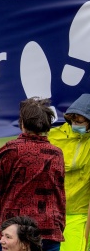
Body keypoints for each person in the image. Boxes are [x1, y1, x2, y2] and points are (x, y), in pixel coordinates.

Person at [0, 97, 65, 251]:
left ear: (23, 123)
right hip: (48, 228)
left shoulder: (11, 150)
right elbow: (59, 193)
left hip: (13, 229)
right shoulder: (57, 153)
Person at [48, 93, 90, 251]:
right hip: (50, 209)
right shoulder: (54, 136)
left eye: (80, 122)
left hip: (78, 211)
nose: (75, 124)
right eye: (73, 120)